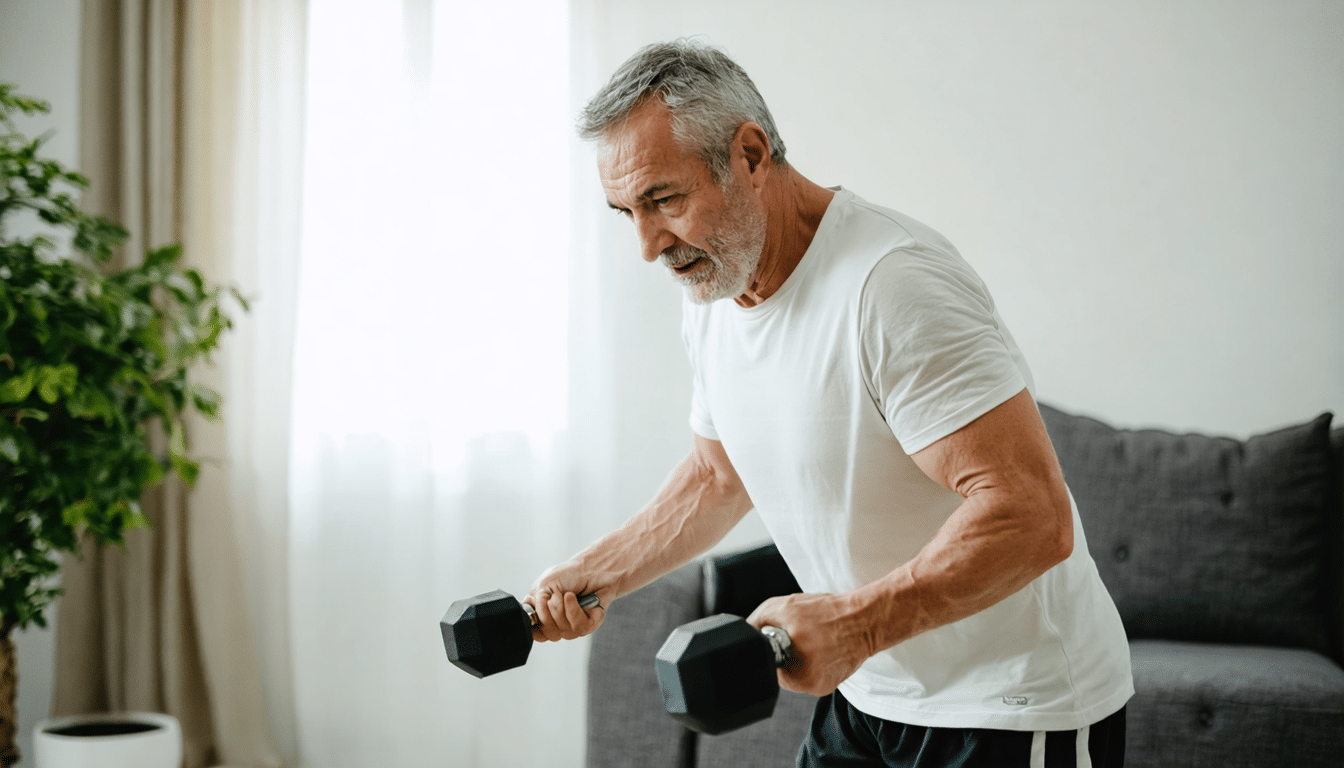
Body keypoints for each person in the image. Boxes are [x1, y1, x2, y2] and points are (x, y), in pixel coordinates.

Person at [527, 40, 1133, 767]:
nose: (649, 245)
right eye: (626, 212)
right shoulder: (716, 289)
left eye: (664, 200)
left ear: (750, 155)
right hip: (867, 693)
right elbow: (720, 475)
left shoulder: (891, 286)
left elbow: (1031, 514)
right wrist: (599, 570)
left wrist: (856, 625)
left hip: (1010, 704)